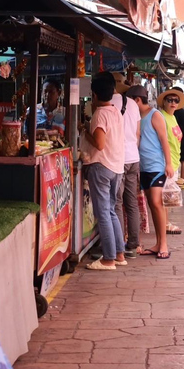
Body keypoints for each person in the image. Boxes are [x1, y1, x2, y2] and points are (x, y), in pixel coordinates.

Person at [80, 74, 126, 271]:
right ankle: (119, 254)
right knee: (111, 210)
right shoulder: (115, 111)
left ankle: (108, 259)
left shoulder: (100, 114)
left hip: (102, 166)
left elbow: (99, 144)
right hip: (116, 166)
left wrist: (85, 131)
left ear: (95, 94)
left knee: (103, 213)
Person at [127, 85, 174, 259]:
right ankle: (157, 243)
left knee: (156, 203)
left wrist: (168, 164)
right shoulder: (138, 117)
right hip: (143, 166)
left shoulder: (155, 115)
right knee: (152, 205)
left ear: (137, 100)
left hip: (156, 166)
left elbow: (164, 140)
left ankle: (163, 245)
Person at [111, 73, 142, 259]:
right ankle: (133, 244)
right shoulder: (132, 103)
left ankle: (118, 246)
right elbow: (137, 133)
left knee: (116, 203)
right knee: (131, 203)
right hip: (133, 157)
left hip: (118, 159)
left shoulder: (108, 102)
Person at [158, 87, 184, 234]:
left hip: (174, 161)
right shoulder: (161, 116)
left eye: (176, 100)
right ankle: (165, 224)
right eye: (170, 100)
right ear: (164, 102)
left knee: (167, 197)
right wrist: (168, 163)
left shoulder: (172, 117)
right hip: (166, 162)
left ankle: (166, 222)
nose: (173, 103)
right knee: (164, 197)